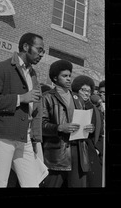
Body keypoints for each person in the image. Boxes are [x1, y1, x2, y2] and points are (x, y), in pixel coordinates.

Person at [0, 32, 48, 187]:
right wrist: (21, 98)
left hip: (24, 138)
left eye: (43, 51)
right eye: (39, 50)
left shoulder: (33, 74)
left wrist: (36, 140)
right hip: (3, 135)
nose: (42, 54)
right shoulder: (1, 68)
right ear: (26, 47)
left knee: (32, 183)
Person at [41, 60, 95, 188]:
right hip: (57, 153)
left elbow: (83, 121)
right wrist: (59, 127)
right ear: (55, 78)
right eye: (64, 76)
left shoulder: (78, 98)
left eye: (70, 75)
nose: (69, 79)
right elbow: (40, 125)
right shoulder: (47, 97)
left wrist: (89, 128)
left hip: (79, 152)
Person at [71, 75, 104, 187]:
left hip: (90, 150)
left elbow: (100, 134)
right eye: (83, 90)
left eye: (89, 91)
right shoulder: (70, 105)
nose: (86, 93)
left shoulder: (95, 111)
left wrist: (97, 149)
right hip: (72, 150)